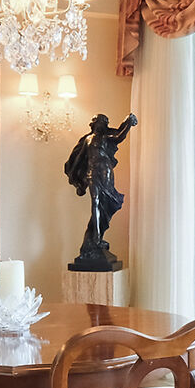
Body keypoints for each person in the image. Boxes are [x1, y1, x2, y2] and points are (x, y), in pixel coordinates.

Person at [65, 112, 137, 271]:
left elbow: (119, 136)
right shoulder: (88, 139)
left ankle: (97, 239)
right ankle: (96, 239)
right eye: (99, 121)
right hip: (92, 173)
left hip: (106, 173)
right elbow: (79, 158)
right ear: (94, 124)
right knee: (96, 202)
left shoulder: (106, 137)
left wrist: (128, 123)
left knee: (104, 205)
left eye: (103, 122)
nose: (101, 124)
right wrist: (74, 174)